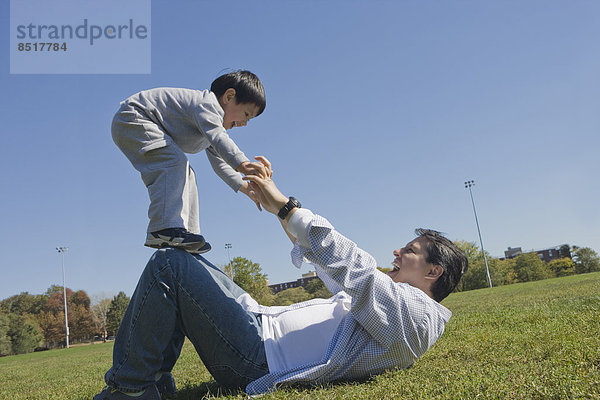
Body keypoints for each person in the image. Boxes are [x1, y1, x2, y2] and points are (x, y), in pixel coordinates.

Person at [93, 157, 468, 399]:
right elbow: (328, 265)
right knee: (181, 260)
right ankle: (153, 382)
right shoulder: (389, 310)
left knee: (169, 265)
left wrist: (288, 207)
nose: (397, 253)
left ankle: (129, 389)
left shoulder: (417, 319)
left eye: (410, 251)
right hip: (255, 324)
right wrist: (278, 211)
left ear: (433, 272)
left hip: (256, 356)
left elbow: (356, 268)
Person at [111, 70, 268, 254]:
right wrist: (245, 165)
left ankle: (187, 233)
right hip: (134, 117)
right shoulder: (207, 105)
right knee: (174, 162)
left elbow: (221, 163)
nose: (244, 123)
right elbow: (220, 139)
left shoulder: (209, 127)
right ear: (229, 96)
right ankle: (163, 228)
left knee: (187, 173)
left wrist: (245, 187)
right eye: (246, 114)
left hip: (138, 122)